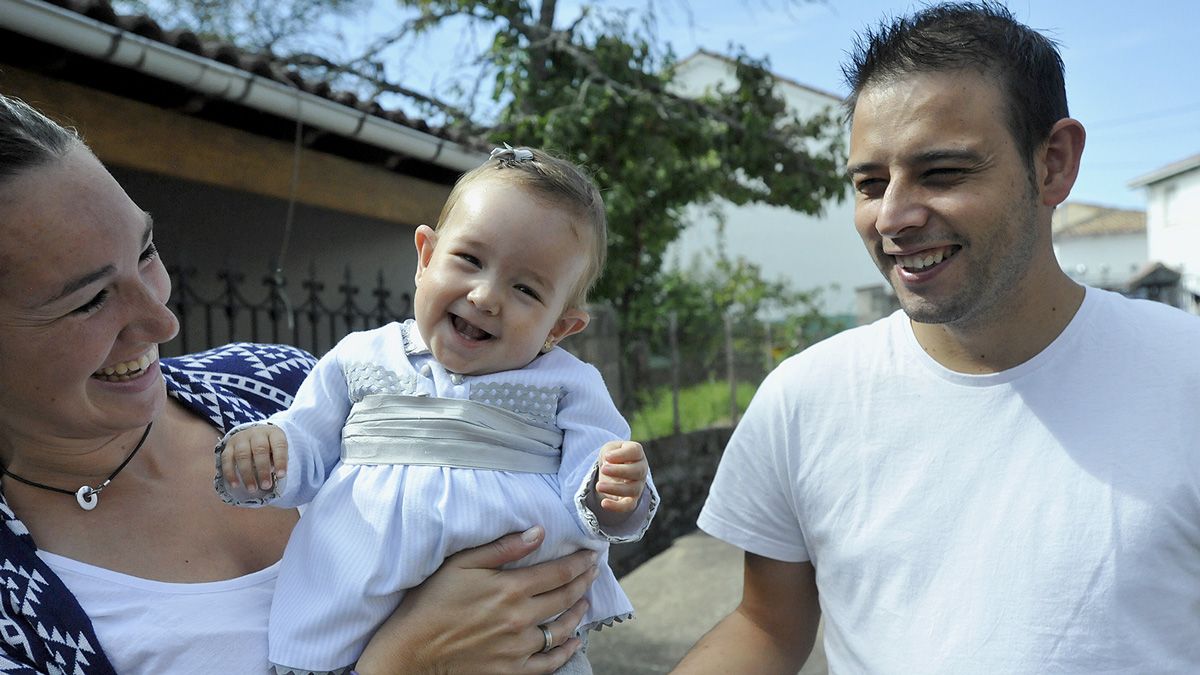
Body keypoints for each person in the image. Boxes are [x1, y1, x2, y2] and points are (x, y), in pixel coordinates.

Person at [673, 3, 1200, 673]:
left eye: (943, 172)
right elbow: (768, 624)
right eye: (869, 183)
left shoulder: (1186, 377)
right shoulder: (804, 399)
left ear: (1055, 163)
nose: (891, 216)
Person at [0, 92, 601, 675]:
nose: (165, 320)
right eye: (90, 299)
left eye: (147, 251)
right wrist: (409, 661)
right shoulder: (15, 612)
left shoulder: (277, 384)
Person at [216, 145, 658, 675]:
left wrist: (615, 493)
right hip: (358, 616)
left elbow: (593, 482)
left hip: (517, 636)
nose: (486, 295)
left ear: (560, 327)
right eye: (470, 260)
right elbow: (306, 444)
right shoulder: (360, 356)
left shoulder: (568, 383)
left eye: (525, 288)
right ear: (425, 257)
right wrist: (267, 452)